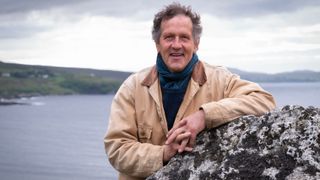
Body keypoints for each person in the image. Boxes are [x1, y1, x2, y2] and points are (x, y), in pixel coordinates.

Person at [104, 3, 276, 180]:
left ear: (196, 43)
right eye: (169, 37)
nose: (176, 45)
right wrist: (163, 153)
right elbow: (117, 148)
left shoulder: (220, 80)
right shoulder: (132, 87)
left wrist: (205, 115)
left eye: (184, 38)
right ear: (157, 43)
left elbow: (263, 100)